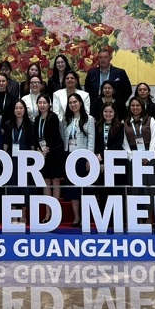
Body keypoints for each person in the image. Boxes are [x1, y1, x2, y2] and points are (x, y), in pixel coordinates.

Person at [62, 92, 95, 227]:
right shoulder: (66, 119)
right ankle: (76, 217)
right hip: (69, 158)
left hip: (83, 158)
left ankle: (85, 217)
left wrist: (90, 159)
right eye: (70, 103)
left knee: (84, 189)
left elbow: (91, 139)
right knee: (73, 190)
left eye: (75, 102)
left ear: (80, 103)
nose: (73, 104)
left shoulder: (89, 119)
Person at [4, 99, 35, 226]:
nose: (18, 110)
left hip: (25, 160)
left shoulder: (30, 124)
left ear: (25, 110)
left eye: (21, 108)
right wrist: (4, 158)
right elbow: (6, 142)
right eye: (16, 108)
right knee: (12, 188)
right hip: (11, 160)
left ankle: (22, 216)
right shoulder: (7, 124)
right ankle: (13, 216)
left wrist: (33, 160)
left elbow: (32, 144)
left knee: (24, 189)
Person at [123, 96, 155, 196]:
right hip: (133, 157)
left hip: (149, 157)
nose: (135, 107)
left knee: (151, 188)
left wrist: (149, 156)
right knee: (135, 188)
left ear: (142, 107)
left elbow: (154, 139)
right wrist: (132, 157)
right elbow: (124, 142)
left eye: (138, 105)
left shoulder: (150, 120)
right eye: (132, 105)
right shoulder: (125, 122)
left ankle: (151, 211)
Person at [33, 93, 63, 203]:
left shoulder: (53, 117)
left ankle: (56, 209)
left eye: (44, 103)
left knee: (55, 180)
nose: (42, 105)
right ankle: (48, 212)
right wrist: (39, 150)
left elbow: (54, 135)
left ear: (49, 104)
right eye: (40, 103)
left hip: (54, 152)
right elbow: (36, 137)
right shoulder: (37, 119)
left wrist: (46, 149)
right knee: (45, 180)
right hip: (42, 153)